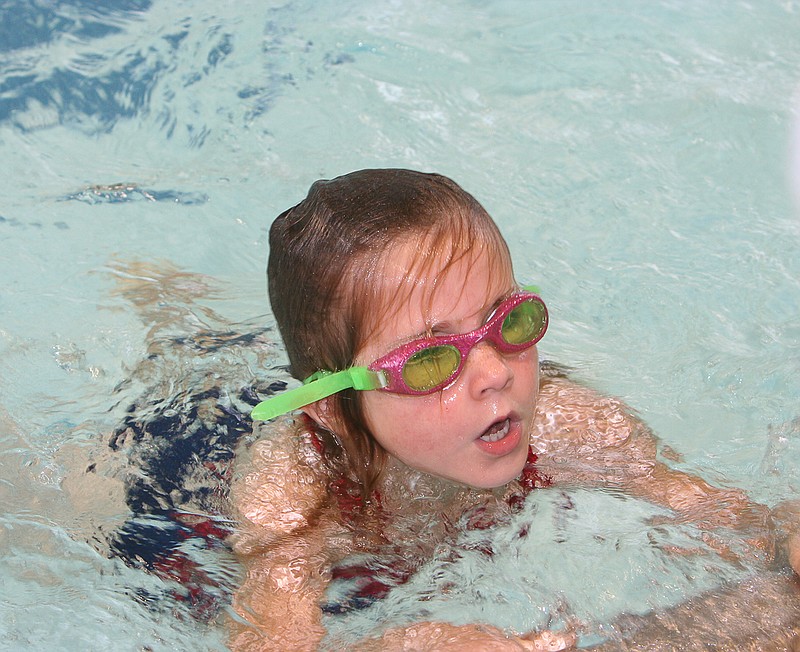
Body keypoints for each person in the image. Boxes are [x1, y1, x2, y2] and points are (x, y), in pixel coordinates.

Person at [228, 169, 799, 651]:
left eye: (509, 323)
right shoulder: (293, 494)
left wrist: (784, 532)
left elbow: (733, 523)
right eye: (430, 360)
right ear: (331, 404)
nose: (496, 372)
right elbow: (269, 638)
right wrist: (402, 643)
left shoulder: (567, 422)